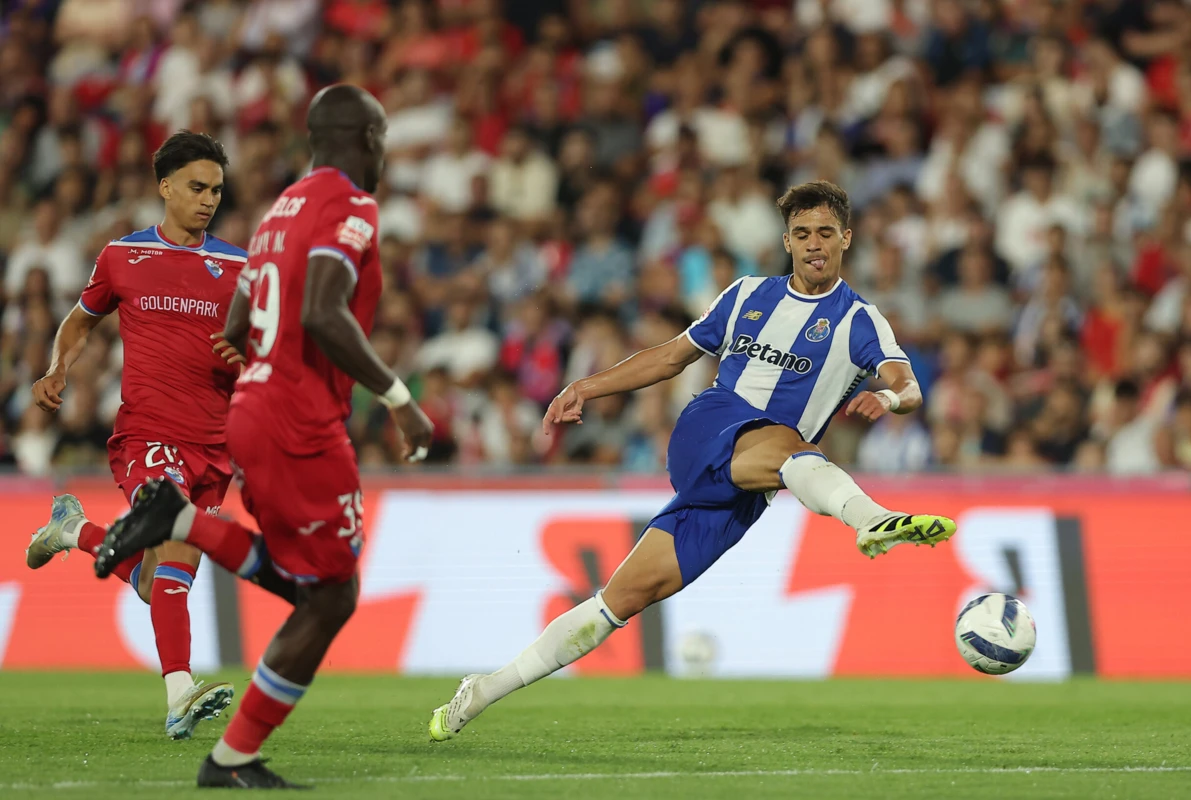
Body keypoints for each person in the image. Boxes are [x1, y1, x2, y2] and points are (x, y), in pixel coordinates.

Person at [427, 180, 957, 741]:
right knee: (789, 444)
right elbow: (671, 357)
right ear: (787, 241)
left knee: (622, 600)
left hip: (752, 482)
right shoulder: (747, 294)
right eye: (802, 234)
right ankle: (871, 520)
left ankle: (484, 688)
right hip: (712, 426)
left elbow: (910, 385)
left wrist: (890, 397)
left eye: (826, 233)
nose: (814, 245)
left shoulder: (860, 320)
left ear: (846, 239)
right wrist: (588, 385)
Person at [94, 84, 434, 790]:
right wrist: (399, 398)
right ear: (367, 140)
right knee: (331, 596)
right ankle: (232, 756)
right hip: (300, 416)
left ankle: (178, 520)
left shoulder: (283, 206)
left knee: (315, 588)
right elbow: (319, 309)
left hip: (246, 409)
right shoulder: (352, 204)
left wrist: (241, 347)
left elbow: (247, 304)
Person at [25, 131, 259, 740]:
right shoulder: (121, 256)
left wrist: (247, 355)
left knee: (163, 581)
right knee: (174, 537)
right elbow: (80, 323)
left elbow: (267, 357)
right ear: (165, 187)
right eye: (196, 187)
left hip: (215, 445)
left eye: (216, 190)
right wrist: (58, 368)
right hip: (148, 433)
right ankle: (179, 693)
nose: (207, 200)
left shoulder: (240, 267)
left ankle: (73, 531)